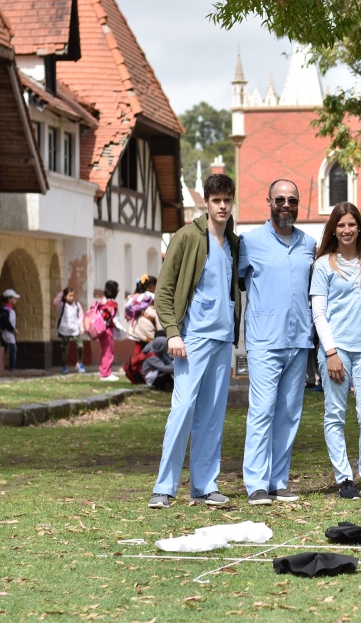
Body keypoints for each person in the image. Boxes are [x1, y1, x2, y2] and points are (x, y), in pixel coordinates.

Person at [148, 173, 241, 509]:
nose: (222, 206)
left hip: (223, 338)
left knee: (212, 415)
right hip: (192, 338)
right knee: (183, 409)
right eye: (216, 200)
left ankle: (204, 486)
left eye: (227, 200)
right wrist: (173, 332)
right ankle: (164, 487)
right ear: (206, 201)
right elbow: (164, 290)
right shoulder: (186, 237)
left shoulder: (233, 243)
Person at [239, 179, 317, 506]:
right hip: (264, 340)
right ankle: (256, 483)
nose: (286, 205)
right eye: (280, 199)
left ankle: (277, 481)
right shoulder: (249, 242)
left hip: (299, 340)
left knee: (289, 413)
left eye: (292, 200)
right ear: (268, 201)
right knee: (262, 411)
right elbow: (238, 283)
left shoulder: (309, 244)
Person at [310, 201, 361, 500]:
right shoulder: (323, 265)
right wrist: (330, 353)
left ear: (359, 228)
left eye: (351, 224)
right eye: (341, 225)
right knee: (335, 415)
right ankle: (344, 479)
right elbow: (318, 313)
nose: (346, 229)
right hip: (336, 349)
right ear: (333, 229)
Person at [53, 287, 86, 374]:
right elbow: (55, 301)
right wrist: (62, 292)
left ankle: (79, 363)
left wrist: (81, 327)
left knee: (80, 346)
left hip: (75, 329)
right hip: (65, 330)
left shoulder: (77, 305)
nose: (72, 297)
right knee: (65, 349)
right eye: (69, 296)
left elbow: (81, 316)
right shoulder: (62, 305)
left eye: (73, 296)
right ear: (65, 296)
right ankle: (64, 365)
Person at [96, 281, 120, 382]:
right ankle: (105, 374)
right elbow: (112, 317)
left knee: (105, 351)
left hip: (101, 329)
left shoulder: (103, 301)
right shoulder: (112, 303)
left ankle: (104, 372)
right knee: (108, 352)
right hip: (107, 330)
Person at [126, 276, 159, 347]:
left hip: (136, 324)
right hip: (147, 326)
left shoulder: (138, 295)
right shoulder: (152, 296)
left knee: (139, 346)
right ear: (152, 285)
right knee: (147, 348)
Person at [0, 289, 20, 371]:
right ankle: (13, 366)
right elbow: (5, 322)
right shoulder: (5, 310)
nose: (16, 300)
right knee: (12, 348)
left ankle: (12, 366)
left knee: (7, 348)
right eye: (14, 298)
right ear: (9, 299)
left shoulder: (9, 310)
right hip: (6, 332)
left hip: (9, 333)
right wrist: (13, 330)